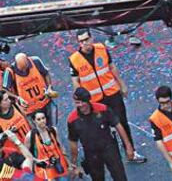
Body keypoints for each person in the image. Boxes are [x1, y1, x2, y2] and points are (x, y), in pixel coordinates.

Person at [68, 31, 143, 163]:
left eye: (86, 39)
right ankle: (110, 156)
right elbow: (76, 81)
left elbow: (112, 67)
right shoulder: (74, 59)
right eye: (81, 41)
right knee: (102, 128)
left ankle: (131, 151)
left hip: (112, 93)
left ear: (91, 38)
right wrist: (80, 101)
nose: (84, 43)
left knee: (122, 122)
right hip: (95, 99)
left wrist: (122, 85)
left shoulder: (102, 49)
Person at [67, 87, 140, 181]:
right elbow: (73, 142)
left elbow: (118, 126)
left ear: (88, 101)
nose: (80, 105)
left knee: (120, 177)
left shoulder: (102, 109)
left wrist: (129, 147)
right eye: (77, 103)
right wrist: (74, 164)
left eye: (82, 102)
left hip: (109, 148)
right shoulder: (72, 119)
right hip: (91, 154)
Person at [2, 53, 55, 123]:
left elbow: (46, 73)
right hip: (29, 109)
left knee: (51, 127)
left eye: (25, 67)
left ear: (28, 60)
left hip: (45, 102)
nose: (24, 71)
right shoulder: (9, 72)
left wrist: (49, 87)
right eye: (21, 69)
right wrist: (17, 98)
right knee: (36, 131)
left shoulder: (36, 61)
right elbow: (4, 90)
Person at [26, 111, 69, 180]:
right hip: (44, 170)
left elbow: (61, 147)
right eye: (39, 119)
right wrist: (36, 161)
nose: (42, 121)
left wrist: (69, 164)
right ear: (34, 121)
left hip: (58, 165)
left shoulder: (53, 130)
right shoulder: (30, 136)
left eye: (43, 118)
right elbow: (26, 155)